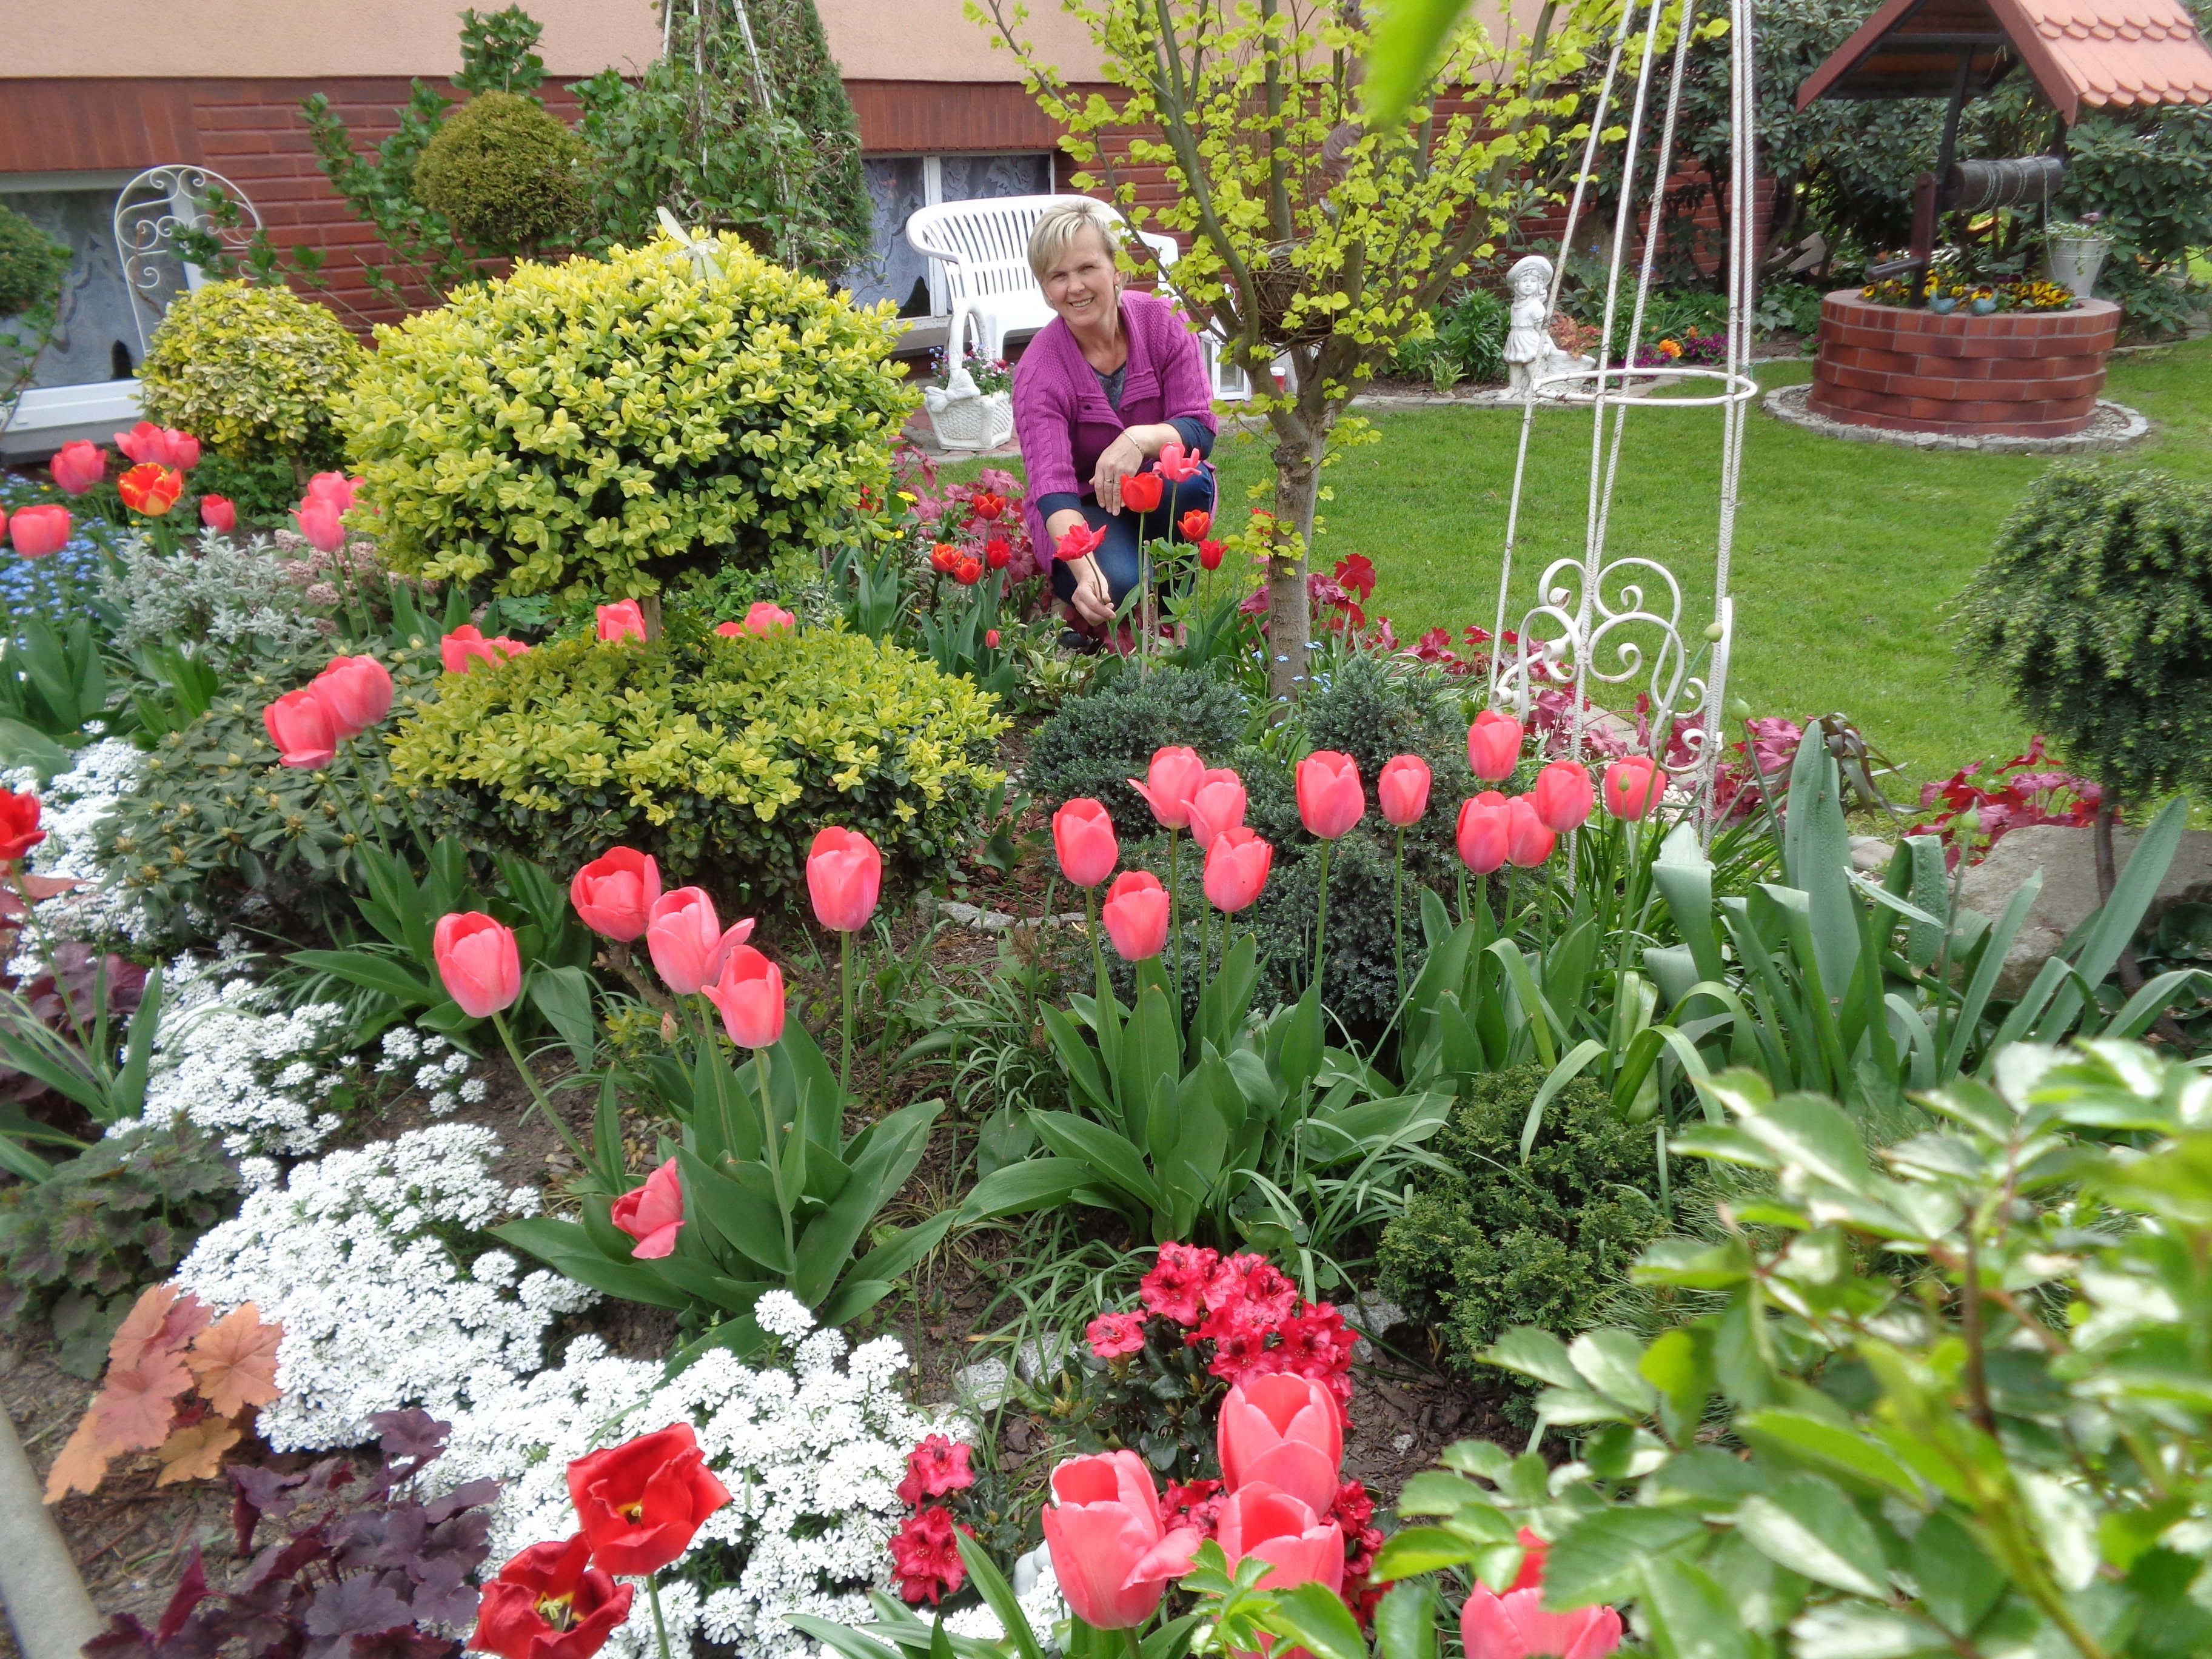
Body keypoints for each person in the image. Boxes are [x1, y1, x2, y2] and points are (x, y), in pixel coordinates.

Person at [1011, 199, 1218, 642]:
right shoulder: (1039, 372)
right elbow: (1052, 488)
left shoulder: (1164, 322)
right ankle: (1073, 596)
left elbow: (1200, 428)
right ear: (1046, 289)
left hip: (1160, 491)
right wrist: (1085, 569)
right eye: (1058, 276)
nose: (1075, 287)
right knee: (1119, 585)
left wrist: (1138, 439)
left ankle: (1173, 616)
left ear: (1117, 269)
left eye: (1087, 268)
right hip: (1083, 507)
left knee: (1189, 484)